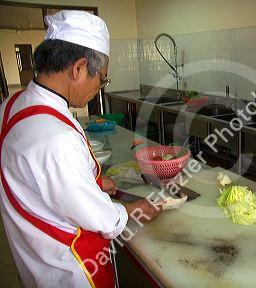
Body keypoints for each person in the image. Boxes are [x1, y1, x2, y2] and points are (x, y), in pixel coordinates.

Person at [0, 10, 160, 287]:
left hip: (35, 259)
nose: (100, 87)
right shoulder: (56, 137)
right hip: (72, 269)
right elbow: (103, 219)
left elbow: (44, 179)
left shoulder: (11, 106)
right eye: (103, 79)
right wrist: (135, 208)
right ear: (79, 68)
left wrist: (89, 183)